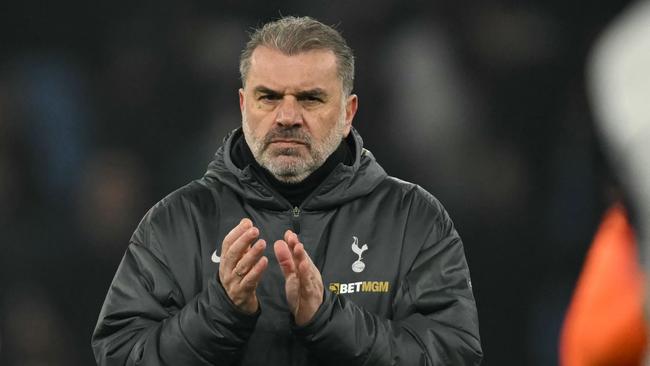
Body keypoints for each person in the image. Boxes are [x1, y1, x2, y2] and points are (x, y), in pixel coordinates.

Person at [91, 16, 482, 365]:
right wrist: (220, 312)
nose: (288, 117)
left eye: (310, 98)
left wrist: (328, 319)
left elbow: (453, 354)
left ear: (348, 113)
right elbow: (121, 354)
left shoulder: (413, 219)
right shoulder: (176, 222)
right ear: (244, 105)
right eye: (269, 97)